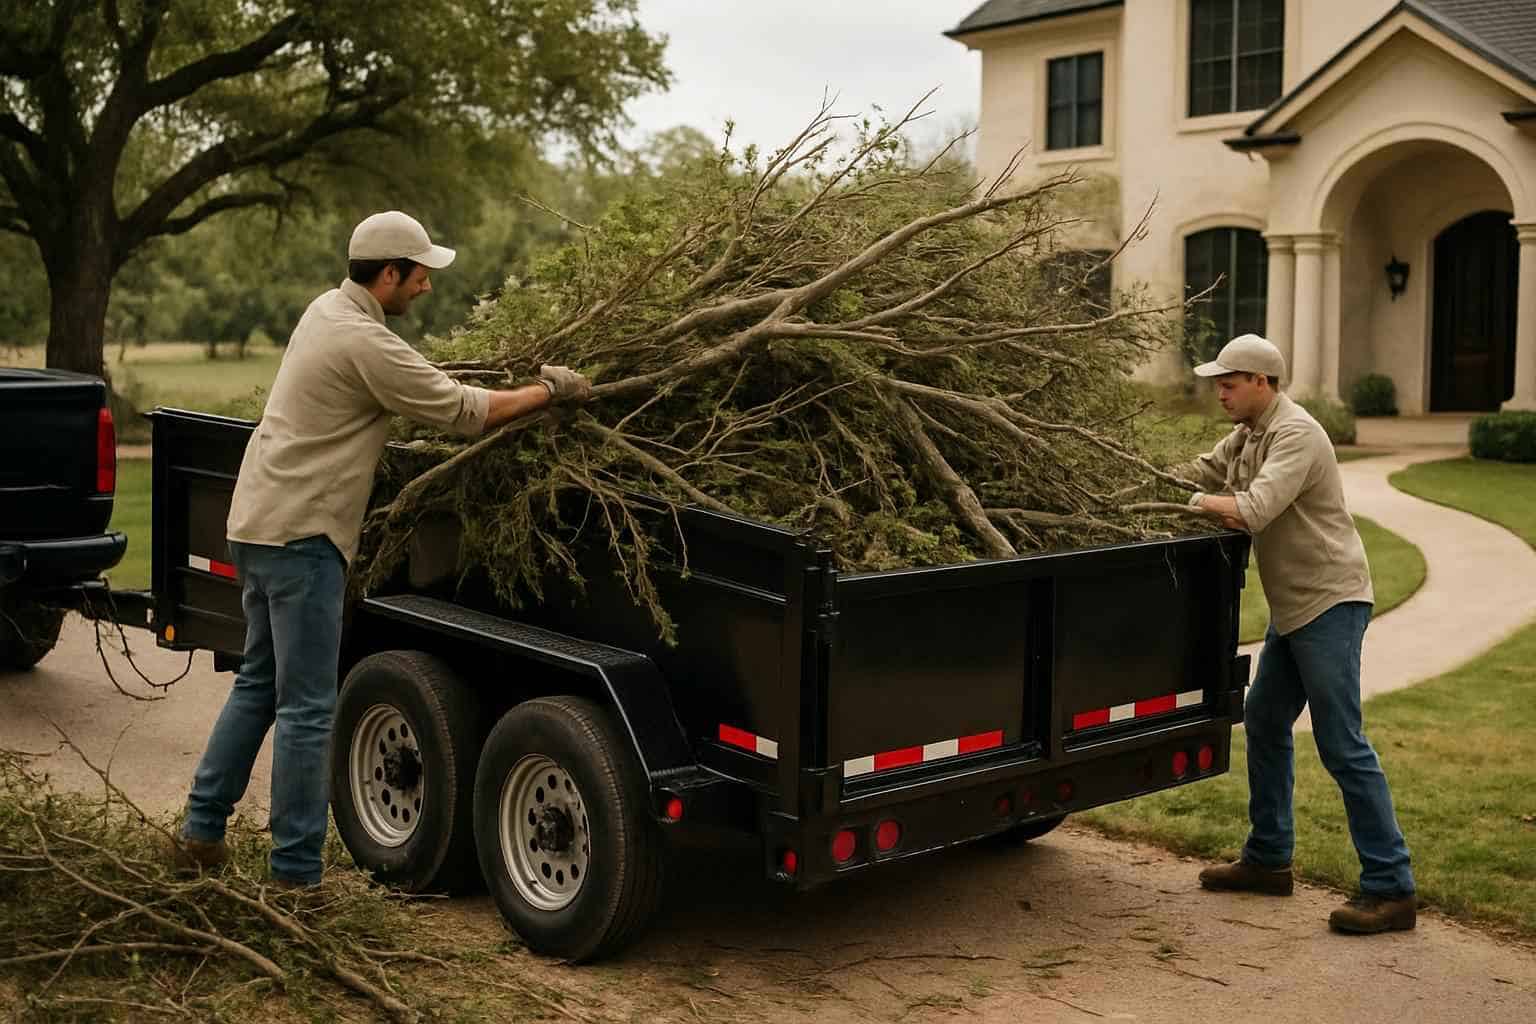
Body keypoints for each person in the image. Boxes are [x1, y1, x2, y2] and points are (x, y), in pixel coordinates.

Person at [173, 211, 590, 887]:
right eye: (420, 273)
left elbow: (410, 384)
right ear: (389, 274)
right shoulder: (364, 343)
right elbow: (466, 412)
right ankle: (296, 878)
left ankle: (200, 833)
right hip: (302, 537)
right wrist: (550, 392)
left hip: (257, 522)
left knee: (259, 686)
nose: (427, 286)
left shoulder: (326, 312)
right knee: (309, 709)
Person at [1172, 333, 1416, 934]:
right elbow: (1200, 469)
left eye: (1230, 383)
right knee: (1263, 718)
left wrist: (1192, 499)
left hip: (1330, 602)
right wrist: (1129, 473)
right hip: (1294, 608)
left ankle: (1391, 887)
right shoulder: (1248, 434)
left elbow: (1253, 509)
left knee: (1341, 743)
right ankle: (1269, 859)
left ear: (1263, 382)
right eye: (1218, 383)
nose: (1220, 392)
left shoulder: (1296, 434)